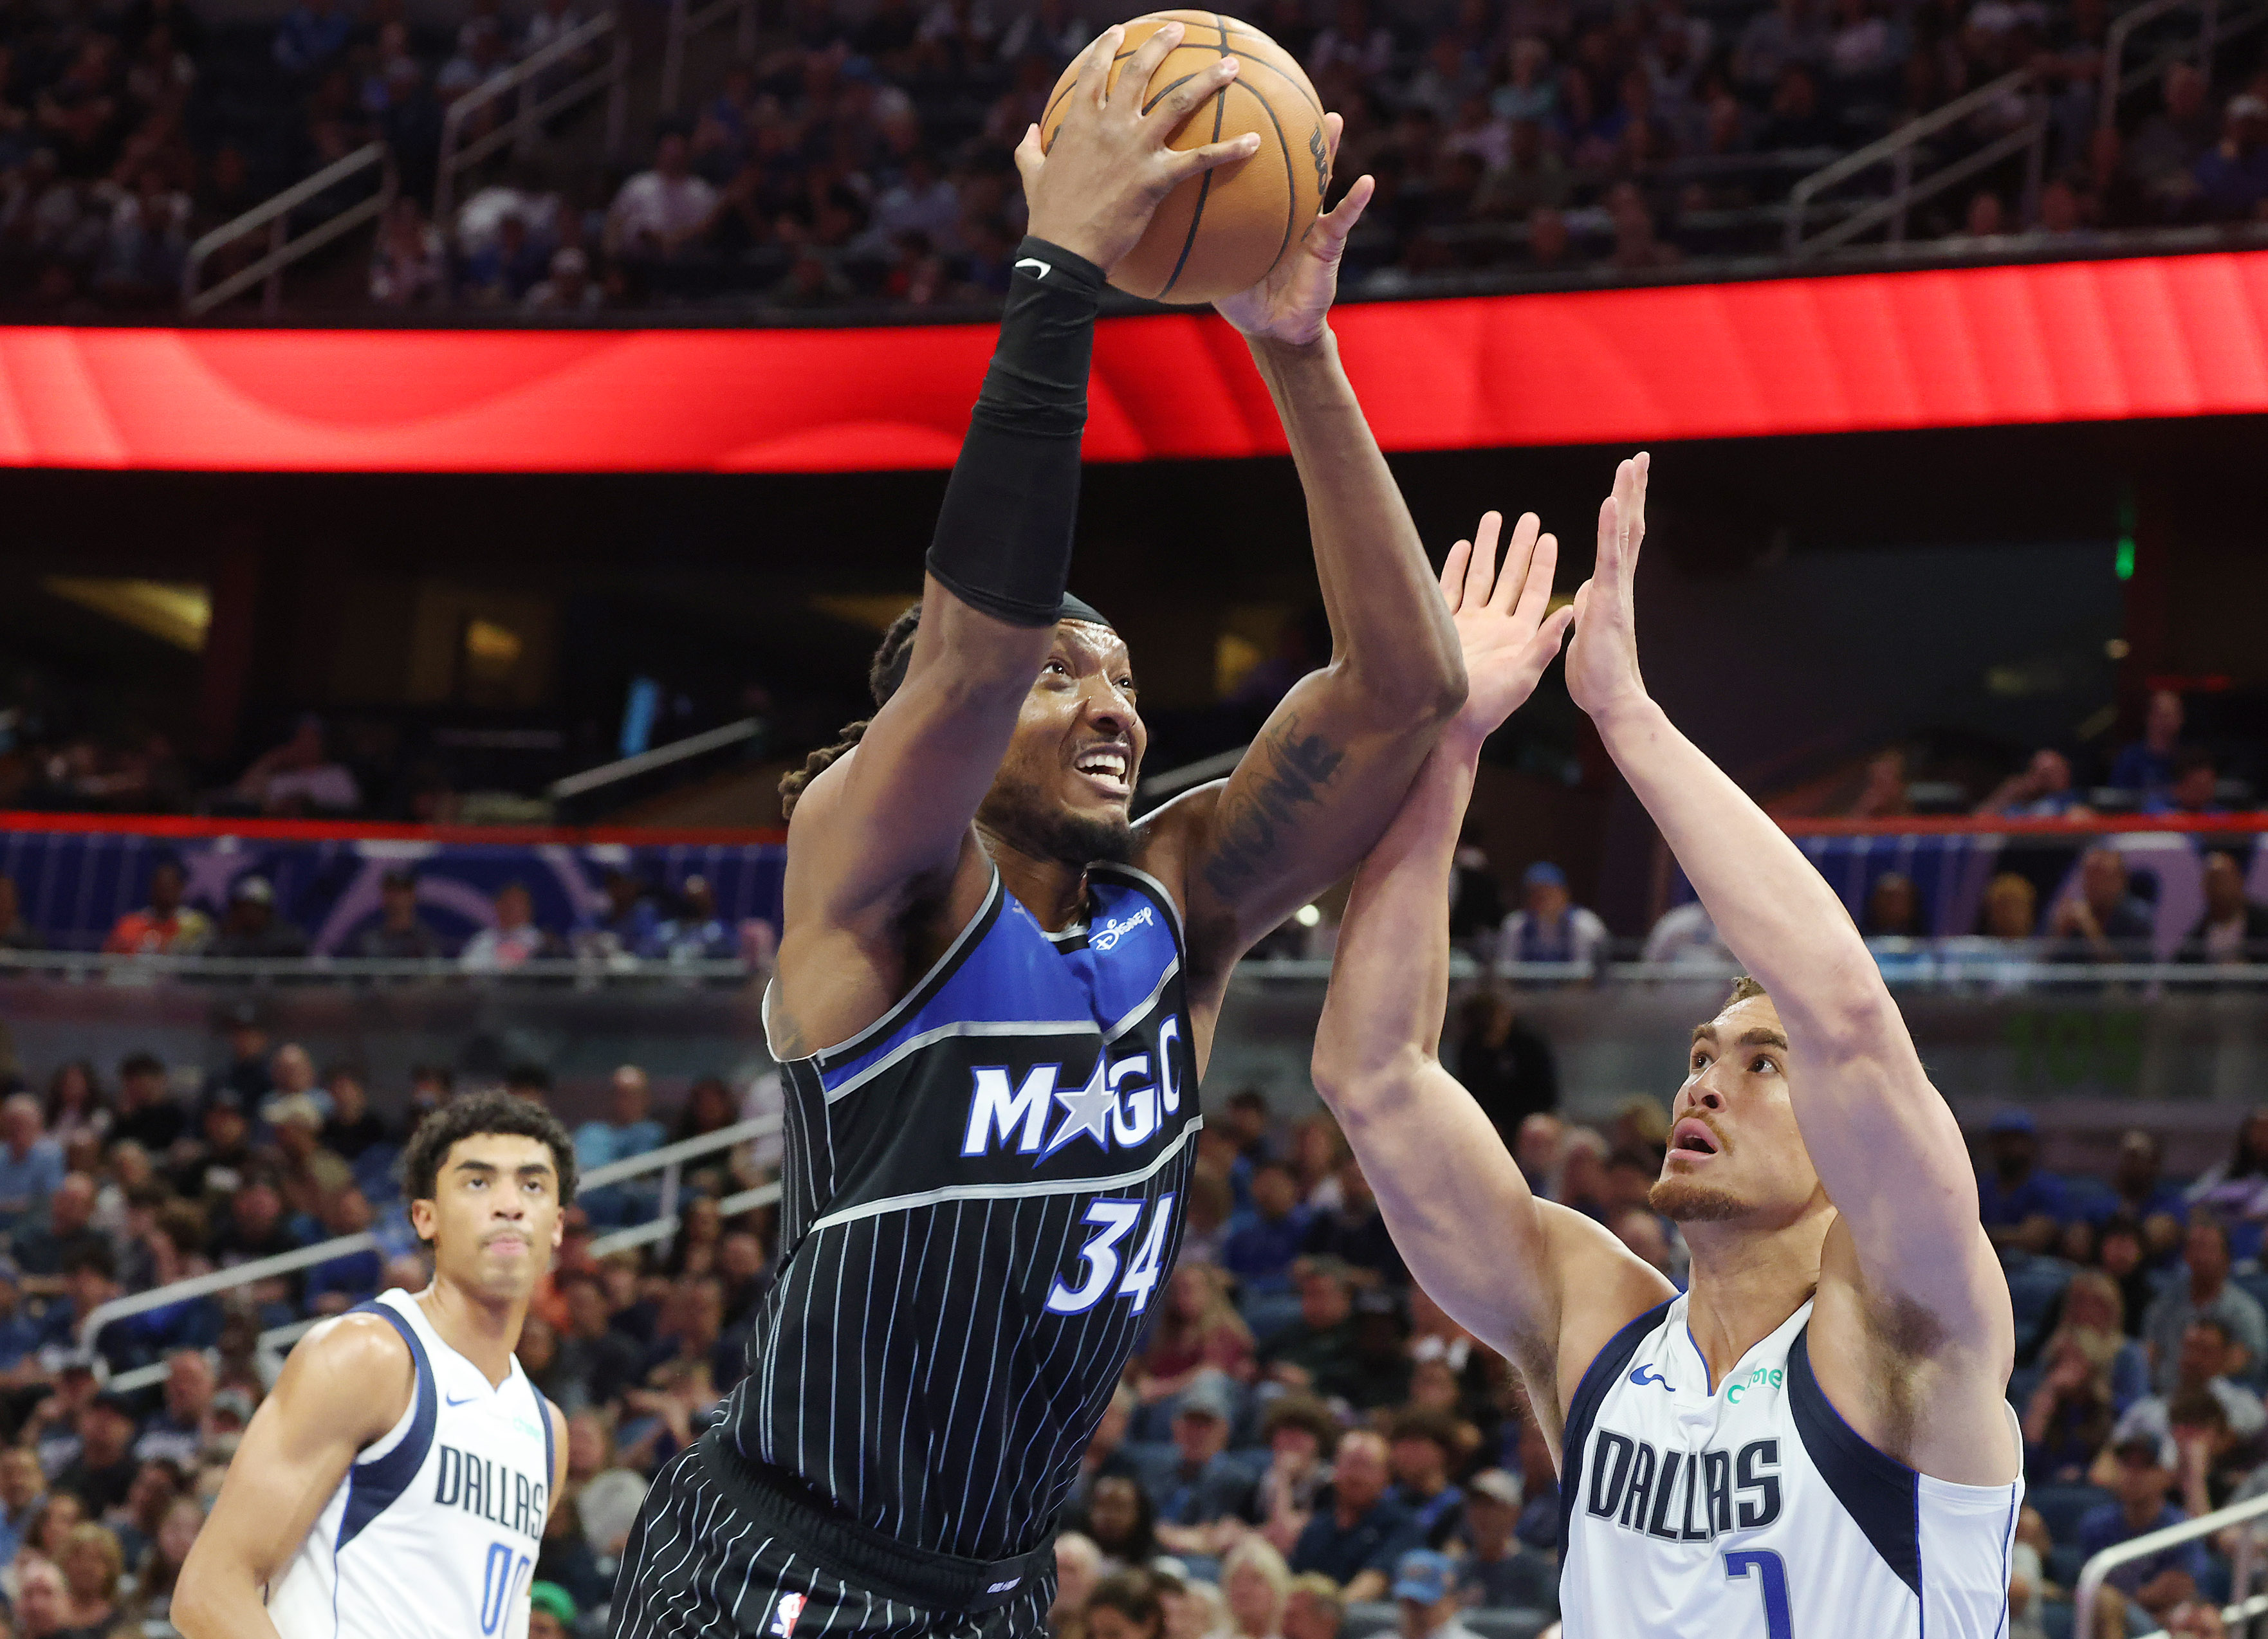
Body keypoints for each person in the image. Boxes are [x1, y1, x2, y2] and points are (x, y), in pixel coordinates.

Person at [612, 24, 1468, 1639]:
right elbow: (973, 651)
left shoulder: (1173, 907)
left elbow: (1403, 693)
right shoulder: (880, 891)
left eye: (1127, 680)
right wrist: (1058, 271)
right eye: (1067, 675)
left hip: (999, 1589)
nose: (1112, 707)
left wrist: (1296, 352)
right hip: (784, 1571)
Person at [1309, 455, 2022, 1634]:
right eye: (1703, 1051)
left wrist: (1625, 718)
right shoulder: (1594, 1323)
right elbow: (1372, 1079)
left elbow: (1843, 1011)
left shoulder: (1901, 1319)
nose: (1706, 1079)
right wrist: (1446, 748)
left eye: (1760, 1061)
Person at [173, 1090, 573, 1639]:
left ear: (556, 1225)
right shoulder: (371, 1356)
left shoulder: (546, 1430)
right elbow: (210, 1592)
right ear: (425, 1218)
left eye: (532, 1185)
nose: (509, 1204)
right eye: (478, 1182)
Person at [1493, 862, 1608, 970]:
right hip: (1525, 990)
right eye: (1535, 893)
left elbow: (1586, 977)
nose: (1543, 899)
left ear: (1564, 894)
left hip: (1576, 991)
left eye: (1549, 892)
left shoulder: (1584, 924)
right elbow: (1505, 974)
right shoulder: (1516, 924)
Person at [103, 858, 211, 954]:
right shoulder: (131, 924)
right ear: (152, 888)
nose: (164, 892)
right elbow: (108, 959)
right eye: (160, 886)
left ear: (181, 888)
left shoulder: (196, 925)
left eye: (169, 887)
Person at [2179, 850, 2268, 964]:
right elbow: (2180, 971)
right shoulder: (2199, 932)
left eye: (2224, 881)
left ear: (2239, 882)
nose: (2219, 890)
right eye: (2213, 883)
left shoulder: (2263, 923)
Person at [353, 868, 445, 959]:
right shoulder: (369, 942)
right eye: (390, 890)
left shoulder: (426, 941)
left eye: (401, 891)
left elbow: (435, 971)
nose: (395, 897)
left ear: (412, 895)